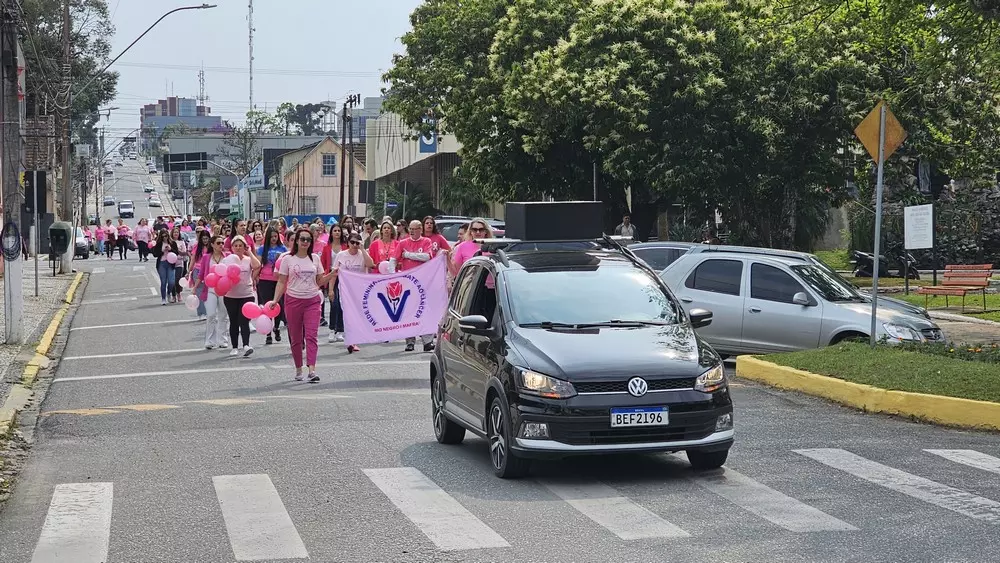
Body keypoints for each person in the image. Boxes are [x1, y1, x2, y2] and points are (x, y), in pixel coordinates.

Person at [270, 228, 337, 383]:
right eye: (302, 239)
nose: (305, 242)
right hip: (293, 300)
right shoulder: (287, 259)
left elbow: (319, 281)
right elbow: (281, 281)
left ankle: (312, 370)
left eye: (308, 239)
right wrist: (275, 300)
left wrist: (331, 275)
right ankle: (298, 368)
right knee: (296, 338)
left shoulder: (315, 258)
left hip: (312, 300)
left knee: (311, 336)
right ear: (297, 241)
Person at [390, 219, 436, 352]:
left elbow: (427, 257)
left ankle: (427, 341)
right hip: (407, 283)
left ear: (420, 229)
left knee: (424, 311)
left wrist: (408, 255)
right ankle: (410, 341)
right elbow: (394, 259)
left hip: (423, 283)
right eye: (410, 229)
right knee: (408, 312)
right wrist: (393, 274)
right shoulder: (403, 243)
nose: (412, 231)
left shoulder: (426, 241)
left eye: (415, 229)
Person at [329, 232, 374, 352]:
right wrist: (330, 290)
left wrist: (363, 249)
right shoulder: (341, 255)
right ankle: (351, 341)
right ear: (348, 243)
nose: (354, 245)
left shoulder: (362, 254)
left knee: (356, 315)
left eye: (357, 243)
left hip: (359, 290)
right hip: (345, 290)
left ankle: (354, 339)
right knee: (347, 314)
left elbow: (370, 264)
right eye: (352, 242)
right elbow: (334, 274)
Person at [222, 235, 261, 357]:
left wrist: (249, 251)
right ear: (232, 247)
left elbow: (257, 265)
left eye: (241, 245)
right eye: (236, 246)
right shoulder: (227, 260)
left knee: (244, 321)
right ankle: (234, 347)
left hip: (246, 294)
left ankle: (246, 345)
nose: (238, 248)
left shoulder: (248, 259)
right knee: (234, 321)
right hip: (231, 295)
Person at [194, 235, 230, 349]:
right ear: (212, 244)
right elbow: (201, 274)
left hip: (224, 290)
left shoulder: (228, 256)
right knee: (211, 315)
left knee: (223, 315)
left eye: (222, 243)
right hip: (210, 289)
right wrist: (195, 287)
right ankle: (209, 341)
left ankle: (222, 340)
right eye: (218, 243)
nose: (221, 245)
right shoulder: (206, 257)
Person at [255, 227, 287, 345]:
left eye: (276, 236)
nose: (274, 239)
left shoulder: (283, 248)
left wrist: (281, 258)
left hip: (278, 280)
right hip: (265, 279)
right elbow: (258, 264)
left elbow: (286, 263)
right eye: (272, 236)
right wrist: (255, 277)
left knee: (278, 305)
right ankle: (268, 332)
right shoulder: (262, 249)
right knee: (268, 305)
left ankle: (276, 327)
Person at [187, 229, 212, 320]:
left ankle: (209, 311)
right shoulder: (197, 247)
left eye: (207, 238)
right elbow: (193, 260)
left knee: (209, 293)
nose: (205, 240)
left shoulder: (212, 247)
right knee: (199, 293)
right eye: (203, 239)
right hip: (198, 271)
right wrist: (189, 271)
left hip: (209, 272)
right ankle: (201, 313)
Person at [150, 229, 179, 305]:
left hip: (171, 263)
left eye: (166, 236)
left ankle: (168, 293)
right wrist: (162, 250)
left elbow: (176, 253)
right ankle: (163, 298)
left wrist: (170, 249)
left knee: (171, 282)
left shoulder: (172, 243)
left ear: (168, 235)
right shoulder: (159, 244)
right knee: (163, 282)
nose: (165, 238)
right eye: (163, 236)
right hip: (162, 264)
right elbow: (155, 254)